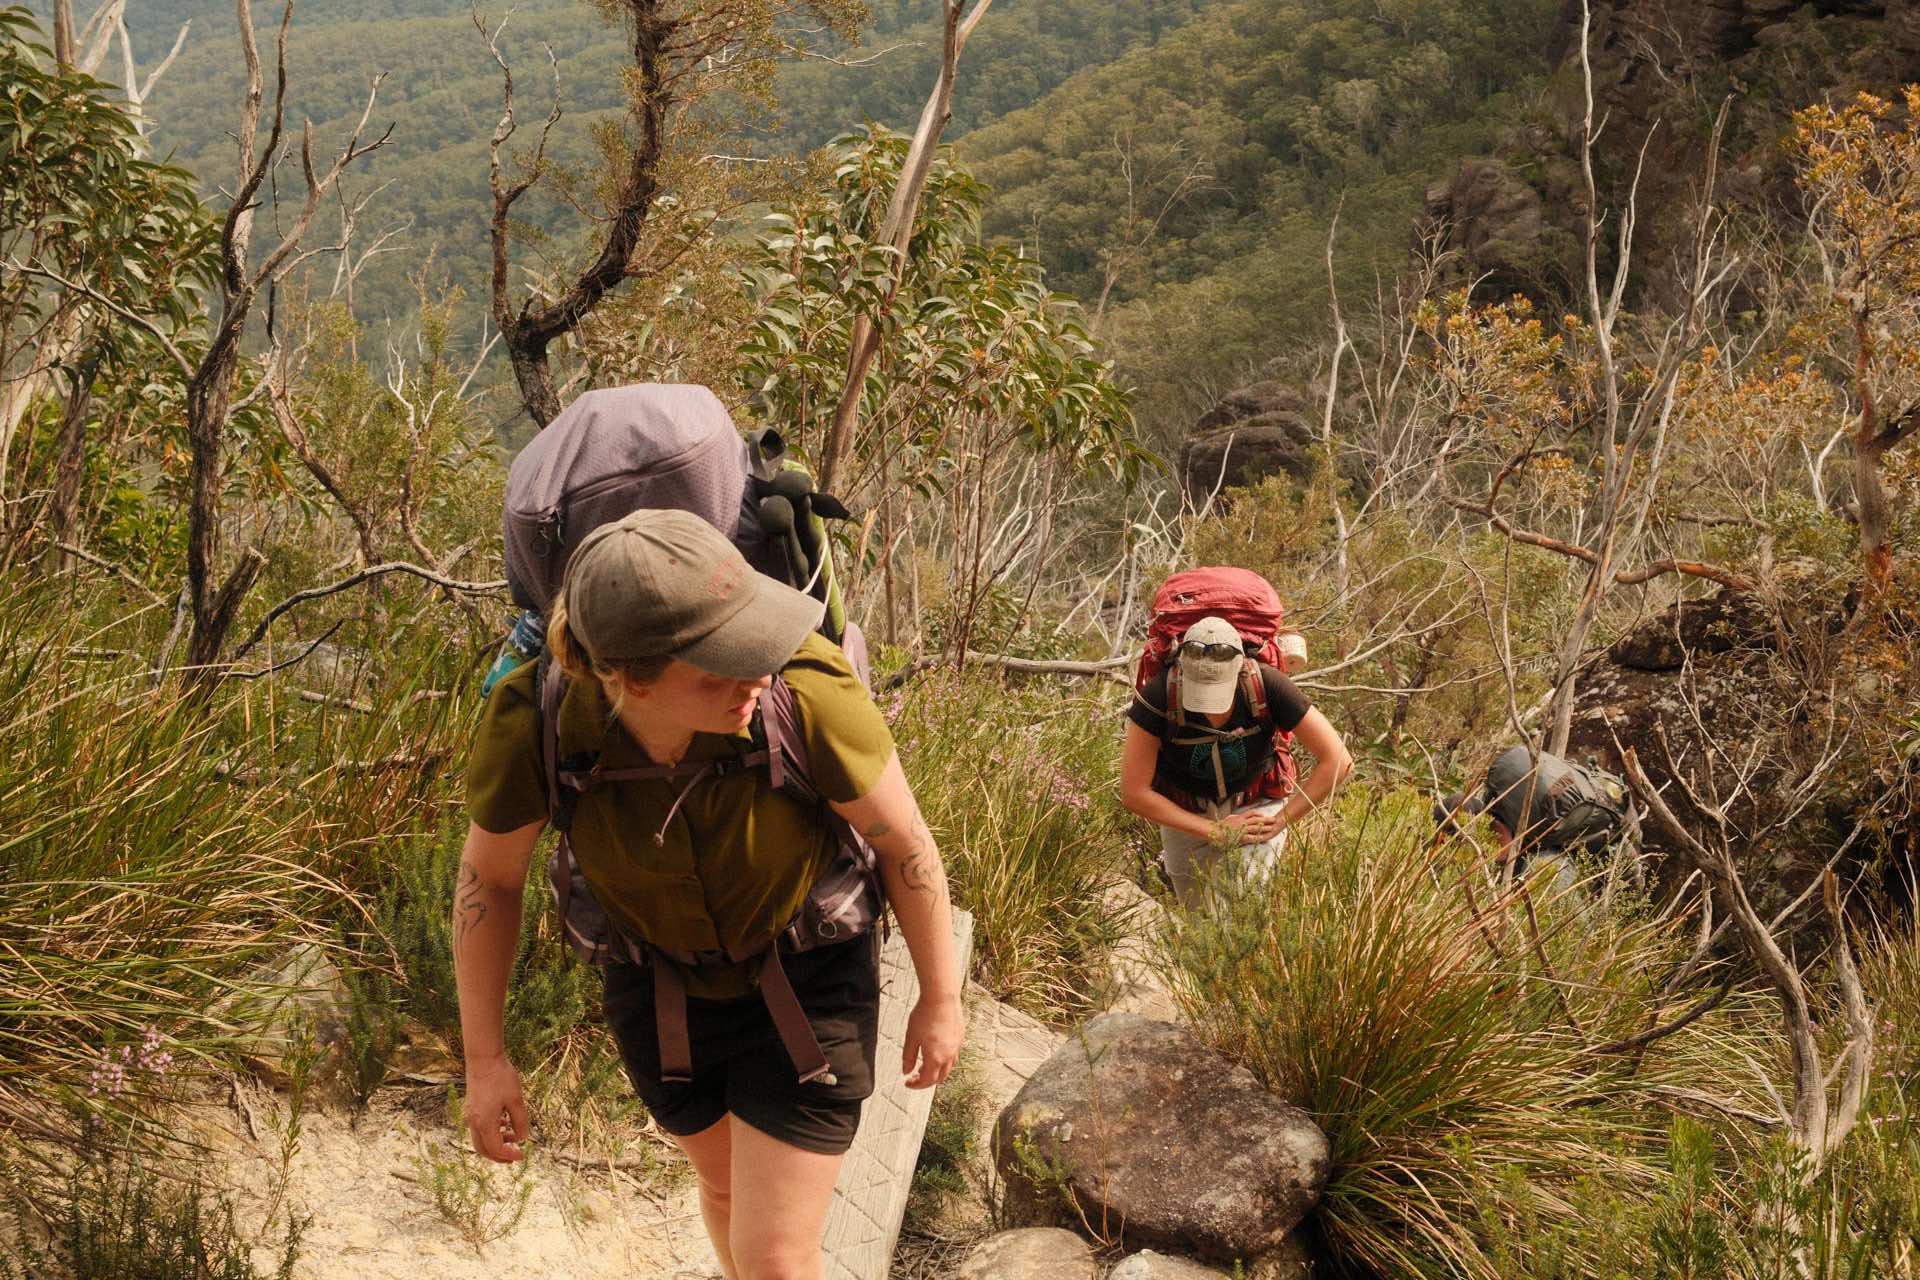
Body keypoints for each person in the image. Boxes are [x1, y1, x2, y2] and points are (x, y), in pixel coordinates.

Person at [454, 510, 964, 1280]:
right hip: (659, 996)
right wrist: (485, 1059)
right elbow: (489, 879)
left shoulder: (803, 687)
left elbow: (904, 843)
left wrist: (940, 996)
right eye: (720, 665)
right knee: (724, 1190)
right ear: (629, 678)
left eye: (753, 642)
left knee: (776, 1261)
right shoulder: (541, 721)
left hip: (809, 980)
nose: (755, 673)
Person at [1120, 616, 1353, 907]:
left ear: (1241, 667)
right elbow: (1134, 792)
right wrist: (1213, 830)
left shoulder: (1267, 684)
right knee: (1198, 920)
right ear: (1181, 668)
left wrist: (1281, 821)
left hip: (1255, 806)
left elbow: (1338, 760)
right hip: (1185, 810)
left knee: (1238, 909)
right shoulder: (1159, 693)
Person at [1433, 744, 1637, 889]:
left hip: (1549, 855)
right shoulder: (1491, 804)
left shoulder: (1547, 866)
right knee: (1454, 804)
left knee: (1544, 872)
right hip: (1521, 826)